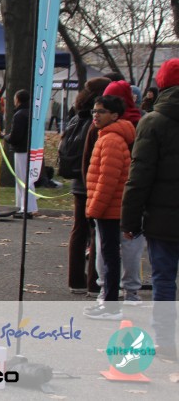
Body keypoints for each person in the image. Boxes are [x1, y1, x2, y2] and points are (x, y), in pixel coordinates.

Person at [122, 59, 179, 359]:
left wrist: (130, 220)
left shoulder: (153, 122)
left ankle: (166, 340)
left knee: (164, 280)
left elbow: (139, 176)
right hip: (164, 214)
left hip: (163, 217)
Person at [83, 95, 135, 321]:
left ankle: (112, 306)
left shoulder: (111, 140)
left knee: (110, 257)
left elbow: (107, 180)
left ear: (114, 115)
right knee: (109, 255)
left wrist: (94, 210)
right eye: (94, 111)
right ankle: (108, 302)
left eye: (101, 111)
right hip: (109, 207)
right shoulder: (106, 136)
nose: (96, 115)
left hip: (109, 209)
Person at [59, 76, 110, 295]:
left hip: (78, 182)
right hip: (91, 181)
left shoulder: (76, 117)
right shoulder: (96, 122)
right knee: (96, 230)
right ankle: (93, 283)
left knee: (79, 230)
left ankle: (76, 280)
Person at [102, 80, 146, 304]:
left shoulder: (106, 133)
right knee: (131, 245)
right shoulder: (142, 123)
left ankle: (106, 290)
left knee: (106, 247)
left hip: (111, 197)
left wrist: (95, 205)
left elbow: (102, 172)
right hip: (136, 192)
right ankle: (131, 291)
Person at [4, 89, 33, 216]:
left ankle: (26, 208)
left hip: (21, 149)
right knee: (26, 179)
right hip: (29, 149)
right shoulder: (30, 113)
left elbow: (16, 136)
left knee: (22, 179)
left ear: (17, 99)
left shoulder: (19, 115)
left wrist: (6, 137)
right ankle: (24, 206)